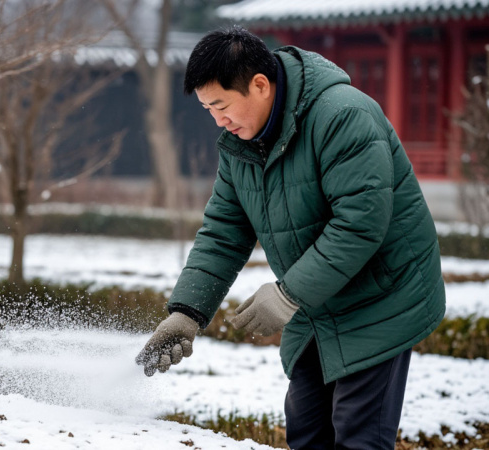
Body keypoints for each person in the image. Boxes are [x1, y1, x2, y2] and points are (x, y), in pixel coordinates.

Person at [135, 26, 446, 449]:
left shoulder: (343, 115)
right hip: (317, 305)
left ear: (260, 85)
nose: (218, 120)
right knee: (306, 431)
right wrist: (187, 312)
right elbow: (224, 232)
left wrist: (287, 295)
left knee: (358, 435)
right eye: (209, 109)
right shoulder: (239, 144)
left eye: (222, 105)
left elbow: (360, 224)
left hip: (380, 298)